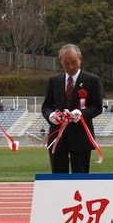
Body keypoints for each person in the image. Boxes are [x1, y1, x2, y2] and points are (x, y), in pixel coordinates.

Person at [41, 44, 103, 173]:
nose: (70, 67)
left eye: (74, 62)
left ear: (80, 59)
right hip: (58, 137)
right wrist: (51, 116)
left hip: (81, 137)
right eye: (66, 63)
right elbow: (46, 106)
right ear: (61, 62)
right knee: (58, 177)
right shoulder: (54, 81)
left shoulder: (92, 80)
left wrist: (80, 113)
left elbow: (97, 107)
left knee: (80, 178)